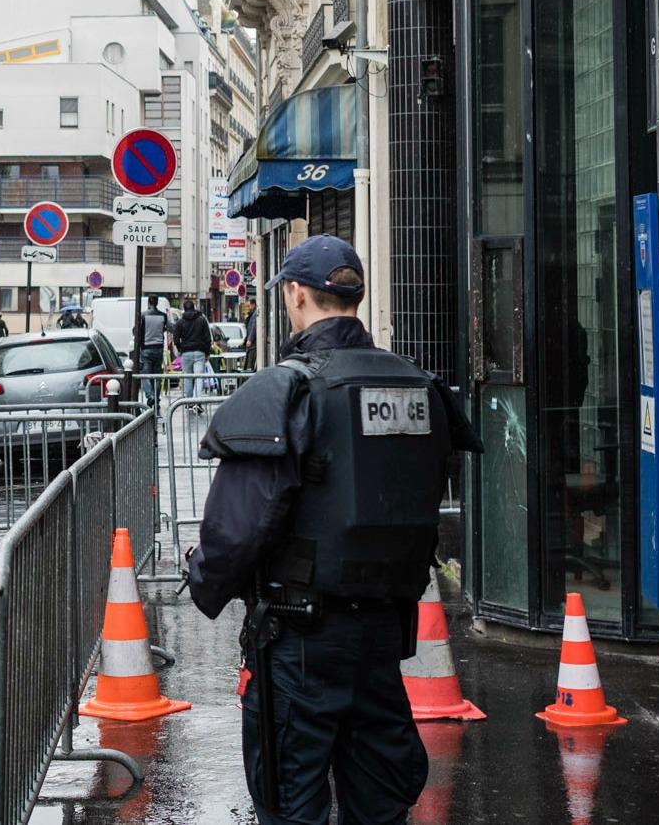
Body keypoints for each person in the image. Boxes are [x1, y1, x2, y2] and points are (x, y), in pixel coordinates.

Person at [186, 236, 482, 825]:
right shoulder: (417, 386)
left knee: (292, 803)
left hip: (301, 639)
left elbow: (237, 527)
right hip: (383, 635)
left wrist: (205, 582)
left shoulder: (288, 390)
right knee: (380, 806)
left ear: (296, 295)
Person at [173, 299, 213, 399]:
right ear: (194, 308)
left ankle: (189, 401)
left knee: (188, 378)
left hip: (186, 352)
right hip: (200, 352)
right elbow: (208, 338)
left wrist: (180, 349)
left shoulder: (180, 322)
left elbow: (176, 339)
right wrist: (207, 352)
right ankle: (197, 401)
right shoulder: (202, 320)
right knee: (199, 378)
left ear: (184, 309)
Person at [136, 294, 171, 405]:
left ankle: (149, 395)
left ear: (148, 303)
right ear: (157, 303)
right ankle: (156, 397)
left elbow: (137, 331)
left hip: (146, 348)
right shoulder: (163, 316)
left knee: (145, 374)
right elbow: (168, 328)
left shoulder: (143, 316)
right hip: (159, 348)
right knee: (157, 375)